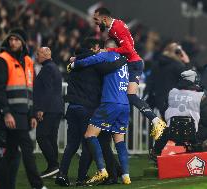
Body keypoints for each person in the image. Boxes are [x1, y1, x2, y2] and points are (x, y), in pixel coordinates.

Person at [92, 7, 166, 140]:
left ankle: (156, 121)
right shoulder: (116, 25)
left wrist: (108, 51)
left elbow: (128, 48)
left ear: (104, 18)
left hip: (133, 63)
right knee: (124, 96)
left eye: (96, 19)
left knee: (129, 96)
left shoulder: (117, 27)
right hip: (131, 62)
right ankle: (117, 127)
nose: (95, 22)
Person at [70, 40, 131, 185]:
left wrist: (73, 64)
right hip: (124, 104)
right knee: (119, 141)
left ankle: (102, 170)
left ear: (106, 47)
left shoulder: (108, 55)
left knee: (90, 135)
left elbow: (88, 61)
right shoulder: (124, 62)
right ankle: (126, 176)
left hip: (110, 102)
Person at [0, 28, 46, 189]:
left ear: (22, 42)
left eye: (16, 40)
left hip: (23, 115)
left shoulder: (28, 62)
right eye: (11, 39)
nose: (13, 42)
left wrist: (32, 115)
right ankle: (37, 185)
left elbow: (31, 91)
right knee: (27, 150)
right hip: (10, 115)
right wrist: (6, 113)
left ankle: (3, 186)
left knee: (10, 154)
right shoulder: (3, 59)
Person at [151, 70, 207, 157]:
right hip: (194, 134)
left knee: (164, 130)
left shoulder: (171, 93)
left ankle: (155, 154)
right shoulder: (201, 96)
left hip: (172, 132)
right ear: (195, 80)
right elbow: (205, 119)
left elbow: (164, 111)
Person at [33, 47, 64, 178]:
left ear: (46, 55)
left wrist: (41, 108)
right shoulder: (53, 67)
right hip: (55, 108)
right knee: (51, 138)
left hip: (49, 109)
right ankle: (54, 168)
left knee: (41, 136)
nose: (36, 56)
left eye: (38, 54)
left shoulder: (47, 69)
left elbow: (47, 90)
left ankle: (53, 165)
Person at [144, 42, 192, 118]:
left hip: (157, 102)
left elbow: (150, 82)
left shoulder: (156, 64)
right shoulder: (177, 66)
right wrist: (187, 63)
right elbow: (189, 80)